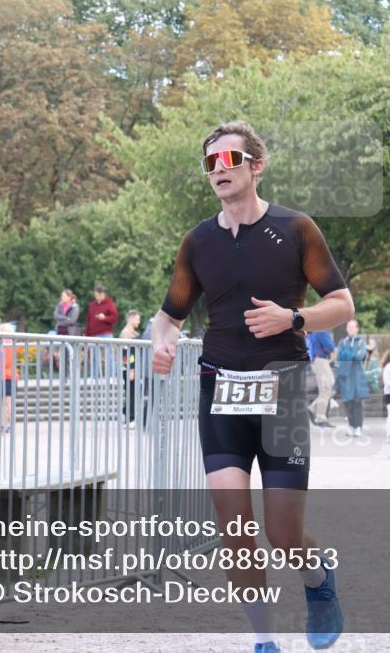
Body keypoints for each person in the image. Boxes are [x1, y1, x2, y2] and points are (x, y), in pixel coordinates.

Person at [150, 120, 351, 652]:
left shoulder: (295, 229)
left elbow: (342, 304)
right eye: (209, 163)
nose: (218, 170)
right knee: (233, 523)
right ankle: (265, 641)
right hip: (220, 387)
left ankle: (317, 578)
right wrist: (162, 343)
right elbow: (169, 314)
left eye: (228, 160)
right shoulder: (198, 241)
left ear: (255, 166)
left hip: (280, 388)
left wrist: (294, 318)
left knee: (283, 536)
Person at [334, 320, 370, 437]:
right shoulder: (342, 342)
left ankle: (358, 427)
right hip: (346, 376)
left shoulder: (361, 342)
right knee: (347, 402)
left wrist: (348, 355)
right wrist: (351, 355)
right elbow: (340, 356)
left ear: (357, 329)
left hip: (357, 375)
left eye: (353, 327)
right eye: (349, 327)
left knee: (357, 402)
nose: (350, 329)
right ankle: (351, 426)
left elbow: (360, 356)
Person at [85, 284, 120, 378]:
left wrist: (105, 318)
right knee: (93, 357)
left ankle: (111, 377)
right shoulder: (92, 305)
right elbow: (88, 320)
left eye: (101, 293)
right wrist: (87, 336)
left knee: (109, 356)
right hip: (93, 334)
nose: (99, 295)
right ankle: (94, 377)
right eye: (97, 293)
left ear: (104, 294)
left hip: (105, 334)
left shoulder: (110, 304)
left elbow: (115, 318)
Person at [306, 329, 336, 429]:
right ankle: (320, 417)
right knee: (326, 388)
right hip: (320, 361)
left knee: (329, 388)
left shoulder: (316, 330)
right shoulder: (321, 330)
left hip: (319, 361)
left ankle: (313, 408)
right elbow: (330, 346)